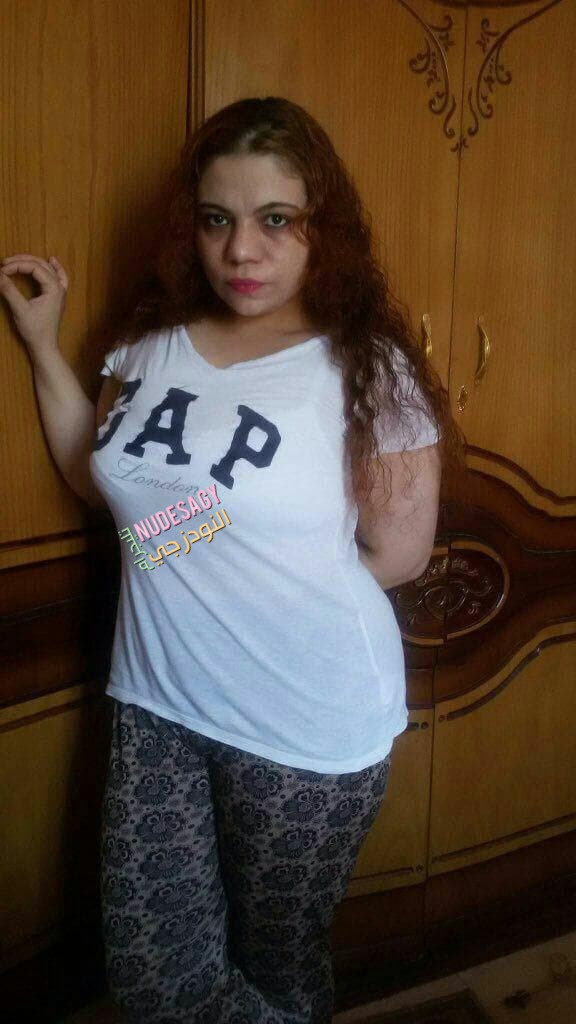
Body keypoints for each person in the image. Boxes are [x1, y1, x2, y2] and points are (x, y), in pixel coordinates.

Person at [0, 97, 465, 1024]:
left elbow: (396, 555)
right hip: (157, 706)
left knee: (278, 967)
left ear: (323, 227)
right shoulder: (152, 345)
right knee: (157, 978)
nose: (241, 251)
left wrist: (245, 574)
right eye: (217, 220)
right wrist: (44, 345)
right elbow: (106, 485)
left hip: (303, 724)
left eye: (275, 219)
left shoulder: (367, 368)